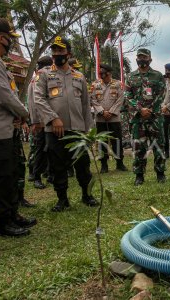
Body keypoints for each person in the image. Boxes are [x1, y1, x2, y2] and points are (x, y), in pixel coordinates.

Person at [34, 36, 97, 211]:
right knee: (57, 166)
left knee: (83, 165)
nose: (57, 54)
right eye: (54, 51)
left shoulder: (79, 76)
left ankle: (87, 195)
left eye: (60, 51)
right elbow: (38, 98)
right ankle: (62, 199)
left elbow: (86, 105)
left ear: (68, 53)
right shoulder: (44, 74)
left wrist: (89, 131)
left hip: (77, 130)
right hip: (54, 130)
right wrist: (53, 118)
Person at [0, 16, 36, 236]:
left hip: (4, 128)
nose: (11, 43)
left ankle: (12, 215)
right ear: (1, 38)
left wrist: (15, 117)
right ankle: (4, 223)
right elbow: (5, 96)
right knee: (1, 179)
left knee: (8, 175)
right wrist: (25, 114)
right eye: (9, 39)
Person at [124, 48, 166, 185]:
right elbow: (127, 96)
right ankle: (139, 175)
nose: (141, 59)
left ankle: (160, 173)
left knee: (158, 146)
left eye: (144, 57)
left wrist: (151, 110)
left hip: (155, 117)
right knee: (138, 147)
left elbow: (161, 94)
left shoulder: (158, 75)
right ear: (136, 59)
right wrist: (141, 109)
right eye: (139, 57)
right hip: (137, 118)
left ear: (150, 59)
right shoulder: (130, 77)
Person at [90, 63, 127, 173]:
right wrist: (102, 111)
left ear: (109, 73)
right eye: (100, 72)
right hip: (101, 119)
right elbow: (93, 99)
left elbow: (120, 99)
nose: (101, 74)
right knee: (102, 142)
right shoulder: (95, 85)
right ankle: (104, 165)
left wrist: (111, 112)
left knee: (117, 141)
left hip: (114, 118)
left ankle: (119, 163)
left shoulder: (118, 84)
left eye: (103, 72)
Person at [27, 56, 53, 189]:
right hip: (42, 121)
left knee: (51, 148)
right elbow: (33, 101)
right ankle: (36, 176)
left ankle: (50, 174)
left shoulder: (50, 76)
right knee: (40, 150)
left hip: (52, 120)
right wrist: (35, 121)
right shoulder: (37, 78)